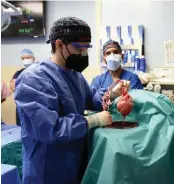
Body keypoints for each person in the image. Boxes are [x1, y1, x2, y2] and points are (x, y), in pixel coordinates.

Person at [14, 17, 128, 184]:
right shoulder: (33, 79)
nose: (84, 53)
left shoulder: (75, 75)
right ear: (59, 44)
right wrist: (92, 120)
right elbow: (49, 129)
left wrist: (111, 94)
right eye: (79, 48)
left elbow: (90, 99)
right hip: (47, 169)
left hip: (72, 163)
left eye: (86, 48)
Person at [90, 40, 143, 109]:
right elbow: (92, 104)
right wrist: (111, 95)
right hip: (105, 118)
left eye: (115, 52)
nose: (112, 55)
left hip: (127, 119)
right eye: (108, 53)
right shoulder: (97, 80)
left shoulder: (132, 78)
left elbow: (138, 103)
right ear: (104, 59)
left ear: (122, 56)